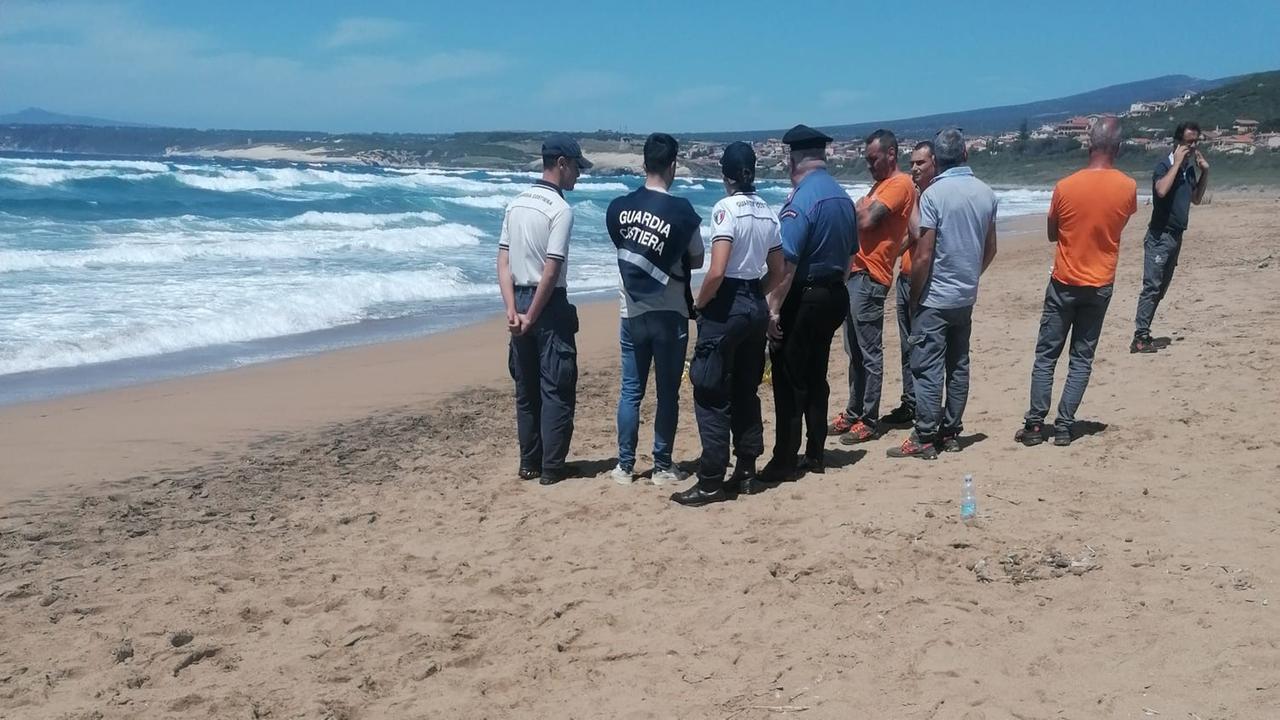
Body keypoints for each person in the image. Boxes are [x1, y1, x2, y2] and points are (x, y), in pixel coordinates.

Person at [672, 142, 784, 506]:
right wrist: (755, 296)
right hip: (753, 301)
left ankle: (710, 480)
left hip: (728, 302)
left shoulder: (725, 209)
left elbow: (717, 270)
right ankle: (747, 469)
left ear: (726, 176)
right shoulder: (768, 212)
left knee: (710, 390)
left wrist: (700, 303)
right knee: (745, 390)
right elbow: (778, 270)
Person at [1017, 117, 1137, 447]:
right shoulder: (1128, 187)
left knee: (1047, 356)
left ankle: (1035, 424)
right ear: (1118, 148)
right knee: (1081, 358)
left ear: (1089, 144)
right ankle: (1065, 426)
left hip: (1065, 280)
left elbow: (1052, 233)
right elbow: (1118, 225)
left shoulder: (1066, 186)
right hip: (1100, 282)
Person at [889, 128, 997, 460]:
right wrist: (970, 277)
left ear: (936, 159)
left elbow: (923, 255)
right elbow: (990, 249)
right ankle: (950, 430)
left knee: (928, 366)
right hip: (964, 295)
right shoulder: (986, 193)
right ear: (965, 154)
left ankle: (925, 434)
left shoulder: (934, 195)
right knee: (958, 364)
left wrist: (915, 296)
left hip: (935, 296)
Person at [605, 133, 704, 486]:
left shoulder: (618, 207)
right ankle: (662, 466)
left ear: (644, 163)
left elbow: (622, 246)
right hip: (671, 310)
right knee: (666, 394)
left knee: (631, 390)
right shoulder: (682, 212)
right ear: (673, 165)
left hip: (630, 310)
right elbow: (697, 258)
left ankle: (624, 466)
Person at [759, 125, 857, 483]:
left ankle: (785, 459)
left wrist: (772, 310)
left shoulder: (801, 201)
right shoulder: (843, 197)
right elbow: (850, 257)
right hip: (835, 293)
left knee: (789, 379)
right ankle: (815, 452)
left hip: (805, 296)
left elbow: (787, 264)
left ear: (793, 161)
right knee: (817, 374)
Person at [496, 134, 591, 485]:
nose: (578, 174)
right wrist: (532, 315)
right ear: (561, 164)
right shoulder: (560, 210)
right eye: (576, 167)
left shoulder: (516, 203)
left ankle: (529, 462)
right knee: (556, 386)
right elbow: (551, 269)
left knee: (526, 387)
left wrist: (512, 309)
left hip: (519, 298)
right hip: (547, 303)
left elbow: (503, 261)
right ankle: (552, 466)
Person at [829, 129, 916, 445]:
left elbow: (866, 220)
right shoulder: (880, 186)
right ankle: (855, 411)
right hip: (857, 273)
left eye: (873, 159)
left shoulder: (899, 184)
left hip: (870, 276)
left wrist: (861, 208)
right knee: (854, 350)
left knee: (868, 352)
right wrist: (860, 207)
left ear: (891, 154)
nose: (869, 165)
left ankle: (868, 418)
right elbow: (860, 214)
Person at [1131, 121, 1209, 353]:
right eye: (1188, 142)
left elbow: (1196, 199)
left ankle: (1144, 332)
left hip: (1176, 235)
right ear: (1177, 142)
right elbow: (1161, 190)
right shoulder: (1164, 166)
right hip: (1159, 236)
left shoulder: (1189, 170)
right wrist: (1176, 163)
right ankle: (1140, 337)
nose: (1192, 147)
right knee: (1152, 287)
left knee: (1160, 289)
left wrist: (1205, 172)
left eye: (1195, 142)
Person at [881, 141, 939, 428]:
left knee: (922, 344)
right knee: (907, 345)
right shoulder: (914, 194)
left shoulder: (933, 197)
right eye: (912, 163)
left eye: (920, 163)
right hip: (905, 276)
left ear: (934, 163)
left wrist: (891, 252)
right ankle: (910, 401)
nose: (914, 168)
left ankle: (923, 403)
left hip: (923, 279)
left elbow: (917, 235)